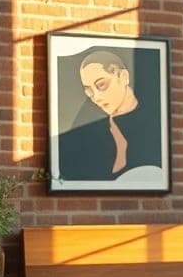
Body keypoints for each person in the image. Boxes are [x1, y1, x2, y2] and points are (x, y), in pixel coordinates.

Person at [57, 47, 162, 182]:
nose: (96, 97)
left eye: (101, 85)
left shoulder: (154, 120)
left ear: (123, 77)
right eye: (89, 91)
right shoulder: (87, 127)